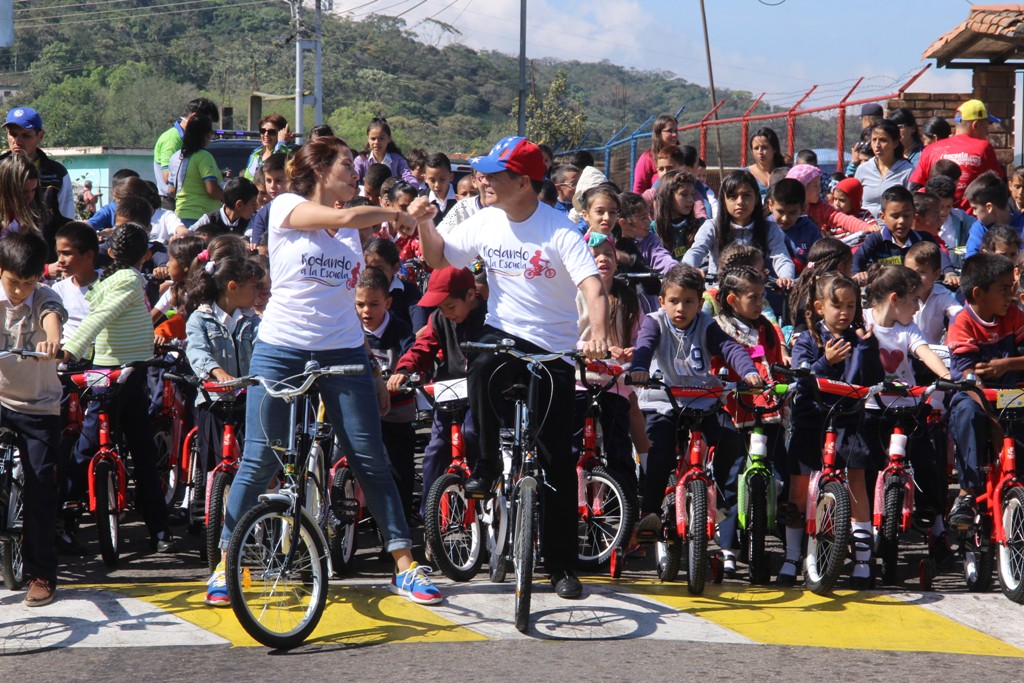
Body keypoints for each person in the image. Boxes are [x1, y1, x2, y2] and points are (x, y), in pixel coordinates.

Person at [210, 135, 443, 607]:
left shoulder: (352, 232)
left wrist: (374, 372)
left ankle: (404, 564)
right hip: (282, 350)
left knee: (368, 459)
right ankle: (225, 563)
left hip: (346, 354)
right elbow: (341, 216)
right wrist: (390, 214)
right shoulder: (287, 207)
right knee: (260, 460)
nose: (355, 173)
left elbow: (345, 302)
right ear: (319, 170)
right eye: (346, 166)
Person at [416, 135, 609, 600]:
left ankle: (562, 567)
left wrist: (598, 332)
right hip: (503, 336)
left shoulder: (559, 230)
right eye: (480, 171)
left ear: (522, 181)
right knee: (480, 362)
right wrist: (425, 224)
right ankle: (484, 466)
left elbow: (593, 287)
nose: (481, 179)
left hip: (552, 351)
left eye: (492, 173)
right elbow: (438, 258)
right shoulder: (485, 220)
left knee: (556, 463)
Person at [629, 264, 762, 576]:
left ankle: (724, 505)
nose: (681, 308)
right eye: (674, 301)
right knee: (660, 451)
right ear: (662, 301)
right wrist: (638, 367)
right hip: (664, 401)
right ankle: (649, 514)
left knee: (732, 442)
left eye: (689, 301)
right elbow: (645, 346)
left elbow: (730, 348)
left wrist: (748, 371)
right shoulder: (654, 322)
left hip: (702, 401)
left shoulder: (706, 324)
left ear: (700, 303)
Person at [61, 223, 175, 554]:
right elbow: (100, 318)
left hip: (114, 370)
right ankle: (159, 531)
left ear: (110, 252)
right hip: (123, 372)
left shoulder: (113, 279)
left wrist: (73, 352)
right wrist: (72, 350)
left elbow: (100, 318)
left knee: (89, 448)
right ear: (146, 255)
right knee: (138, 450)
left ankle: (63, 518)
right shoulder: (127, 280)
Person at [781, 271, 883, 586]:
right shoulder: (807, 339)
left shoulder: (860, 339)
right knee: (799, 488)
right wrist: (824, 362)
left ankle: (864, 561)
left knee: (856, 482)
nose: (844, 313)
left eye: (851, 306)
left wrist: (866, 349)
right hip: (812, 418)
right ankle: (791, 556)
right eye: (837, 306)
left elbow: (872, 379)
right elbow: (801, 378)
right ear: (819, 306)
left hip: (849, 418)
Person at [184, 250, 263, 605]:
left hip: (248, 401)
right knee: (214, 466)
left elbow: (265, 350)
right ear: (232, 287)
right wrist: (218, 375)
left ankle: (255, 527)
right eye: (251, 287)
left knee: (254, 466)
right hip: (214, 404)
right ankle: (213, 524)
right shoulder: (199, 320)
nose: (256, 293)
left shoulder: (253, 321)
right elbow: (198, 353)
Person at [387, 266, 485, 520]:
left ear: (471, 296)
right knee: (436, 449)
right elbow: (423, 346)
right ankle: (430, 517)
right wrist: (405, 368)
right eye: (440, 308)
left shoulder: (491, 316)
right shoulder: (439, 319)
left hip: (483, 393)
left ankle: (483, 501)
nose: (446, 314)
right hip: (449, 392)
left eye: (451, 307)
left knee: (472, 433)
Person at [0, 231, 65, 605]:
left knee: (42, 484)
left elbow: (51, 315)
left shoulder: (45, 297)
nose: (21, 291)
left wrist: (51, 341)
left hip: (38, 405)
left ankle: (41, 574)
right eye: (13, 282)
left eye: (29, 283)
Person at [946, 252, 1024, 531]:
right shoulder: (962, 324)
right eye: (1004, 289)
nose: (1012, 295)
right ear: (978, 294)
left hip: (1014, 396)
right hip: (977, 397)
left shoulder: (1014, 316)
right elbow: (968, 376)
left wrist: (1008, 364)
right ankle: (967, 493)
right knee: (966, 410)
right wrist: (991, 418)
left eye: (1012, 287)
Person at [357, 266, 416, 518]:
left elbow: (413, 355)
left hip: (395, 410)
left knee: (398, 468)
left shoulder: (401, 331)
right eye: (359, 304)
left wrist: (403, 372)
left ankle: (400, 518)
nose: (366, 311)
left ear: (388, 302)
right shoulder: (349, 330)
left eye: (374, 304)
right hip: (359, 411)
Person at [682, 170, 795, 284]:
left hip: (754, 296)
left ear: (756, 198)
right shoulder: (712, 227)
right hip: (717, 293)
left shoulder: (769, 229)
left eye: (746, 195)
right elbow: (696, 251)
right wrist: (690, 268)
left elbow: (781, 257)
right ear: (723, 200)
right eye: (733, 196)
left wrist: (786, 276)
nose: (740, 202)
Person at [908, 99, 1005, 212]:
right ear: (976, 125)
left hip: (936, 221)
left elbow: (914, 188)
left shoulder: (930, 149)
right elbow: (999, 185)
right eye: (986, 128)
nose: (987, 133)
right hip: (970, 224)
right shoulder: (983, 147)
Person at [852, 186, 951, 282]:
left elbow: (939, 256)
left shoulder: (924, 238)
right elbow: (857, 259)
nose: (901, 221)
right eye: (895, 216)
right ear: (883, 217)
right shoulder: (875, 240)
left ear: (913, 215)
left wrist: (949, 272)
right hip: (884, 291)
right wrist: (857, 273)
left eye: (907, 215)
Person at [4, 107, 74, 221]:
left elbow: (67, 219)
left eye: (25, 135)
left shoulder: (57, 174)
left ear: (40, 136)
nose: (17, 141)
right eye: (13, 134)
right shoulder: (1, 170)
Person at [153, 98, 219, 209]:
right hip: (171, 203)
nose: (209, 128)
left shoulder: (189, 140)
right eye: (208, 122)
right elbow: (167, 177)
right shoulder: (172, 139)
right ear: (194, 117)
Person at [167, 115, 223, 227]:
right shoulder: (204, 156)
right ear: (207, 134)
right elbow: (212, 190)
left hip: (179, 219)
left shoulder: (175, 156)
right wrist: (231, 198)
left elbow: (171, 190)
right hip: (202, 219)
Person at [51, 222, 100, 344]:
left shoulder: (110, 283)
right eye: (59, 253)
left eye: (67, 253)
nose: (60, 260)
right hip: (69, 357)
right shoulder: (58, 289)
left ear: (89, 255)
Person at [905, 240, 962, 345]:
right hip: (904, 351)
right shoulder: (901, 296)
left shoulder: (941, 295)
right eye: (909, 272)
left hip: (931, 353)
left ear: (936, 274)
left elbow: (960, 315)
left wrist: (955, 337)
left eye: (921, 272)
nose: (914, 278)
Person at [855, 119, 914, 218]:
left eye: (883, 140)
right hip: (865, 227)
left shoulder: (908, 171)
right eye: (874, 140)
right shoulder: (862, 169)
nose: (877, 145)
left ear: (895, 143)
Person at [964, 171, 1024, 258]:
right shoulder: (979, 228)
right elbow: (971, 262)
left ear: (989, 207)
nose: (974, 213)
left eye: (975, 208)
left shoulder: (1022, 224)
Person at [768, 177, 819, 273]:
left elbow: (819, 259)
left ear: (803, 209)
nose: (785, 218)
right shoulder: (765, 227)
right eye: (780, 211)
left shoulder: (810, 229)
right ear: (770, 205)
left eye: (792, 213)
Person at [650, 170, 701, 261]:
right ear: (667, 196)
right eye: (684, 194)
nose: (690, 200)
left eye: (692, 194)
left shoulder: (700, 226)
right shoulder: (653, 230)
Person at [188, 177, 259, 239]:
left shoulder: (252, 219)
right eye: (253, 204)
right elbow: (189, 234)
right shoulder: (209, 219)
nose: (256, 208)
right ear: (239, 204)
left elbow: (252, 235)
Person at [354, 118, 417, 185]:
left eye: (381, 139)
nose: (376, 142)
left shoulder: (398, 160)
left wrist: (411, 187)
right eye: (373, 139)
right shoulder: (361, 160)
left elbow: (409, 178)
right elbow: (353, 177)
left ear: (389, 139)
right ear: (368, 139)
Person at [247, 152, 288, 252]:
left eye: (278, 180)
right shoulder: (263, 214)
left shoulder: (303, 205)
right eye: (268, 180)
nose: (272, 186)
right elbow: (258, 248)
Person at [632, 113, 679, 195]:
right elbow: (638, 190)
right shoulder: (647, 158)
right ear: (659, 133)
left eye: (675, 131)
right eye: (669, 131)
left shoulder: (682, 155)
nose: (674, 134)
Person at [242, 114, 289, 180]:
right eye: (263, 131)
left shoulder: (288, 153)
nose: (266, 135)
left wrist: (281, 143)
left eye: (271, 132)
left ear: (282, 133)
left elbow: (280, 162)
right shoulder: (254, 155)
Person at [746, 127, 787, 201]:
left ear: (775, 149)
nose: (760, 152)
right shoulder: (744, 175)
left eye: (764, 147)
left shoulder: (786, 174)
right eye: (756, 148)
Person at [420, 153, 458, 222]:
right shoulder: (421, 198)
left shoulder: (461, 194)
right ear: (425, 178)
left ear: (451, 176)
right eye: (432, 180)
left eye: (442, 179)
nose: (437, 185)